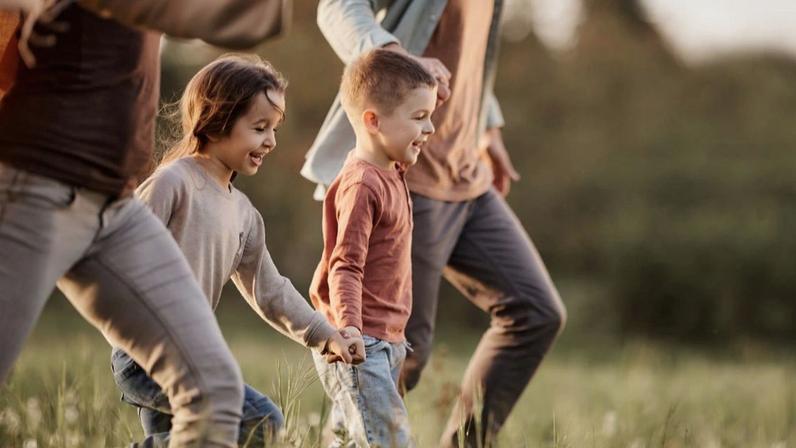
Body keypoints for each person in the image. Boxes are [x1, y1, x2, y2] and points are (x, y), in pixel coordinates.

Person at [0, 1, 290, 446]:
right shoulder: (177, 182)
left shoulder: (241, 210)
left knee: (215, 397)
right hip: (33, 187)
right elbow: (237, 16)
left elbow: (253, 19)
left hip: (114, 204)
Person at [302, 1, 567, 446]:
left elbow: (466, 53)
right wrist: (395, 55)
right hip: (407, 181)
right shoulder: (368, 183)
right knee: (397, 354)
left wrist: (487, 127)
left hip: (466, 174)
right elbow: (336, 6)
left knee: (536, 312)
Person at [109, 54, 365, 446]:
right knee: (261, 422)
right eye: (259, 128)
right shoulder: (172, 184)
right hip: (145, 353)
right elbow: (120, 253)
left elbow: (270, 290)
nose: (271, 141)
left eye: (274, 129)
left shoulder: (244, 215)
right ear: (217, 119)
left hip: (191, 353)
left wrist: (325, 335)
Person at [309, 49, 437, 447]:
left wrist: (422, 106)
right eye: (420, 117)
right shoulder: (362, 184)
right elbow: (344, 265)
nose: (430, 127)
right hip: (361, 342)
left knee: (349, 438)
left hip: (387, 340)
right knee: (390, 441)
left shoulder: (392, 171)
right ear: (373, 121)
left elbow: (408, 124)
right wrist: (350, 328)